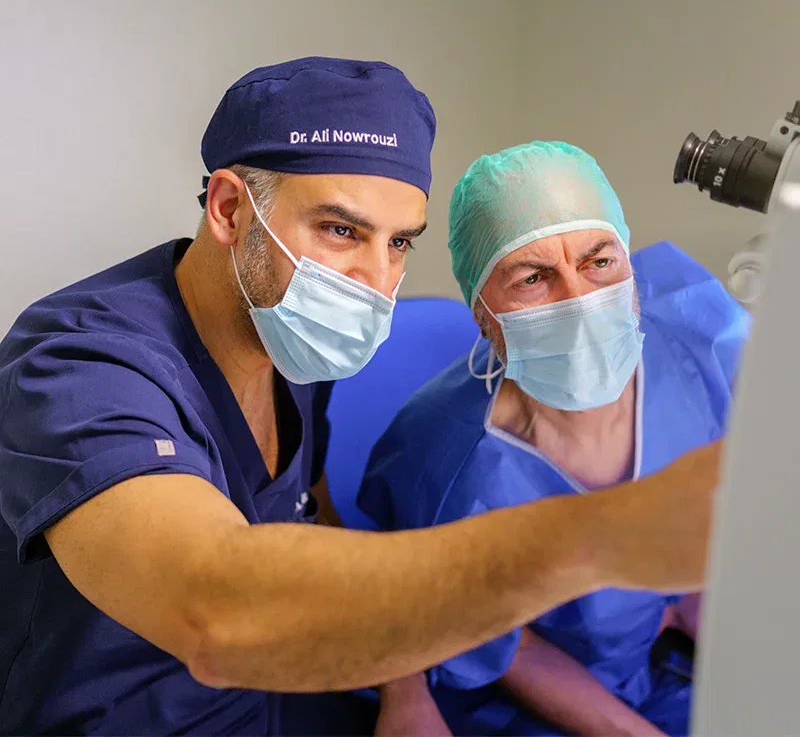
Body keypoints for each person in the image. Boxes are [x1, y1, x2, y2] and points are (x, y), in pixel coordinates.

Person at [0, 60, 721, 737]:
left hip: (278, 702)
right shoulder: (81, 367)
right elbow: (215, 612)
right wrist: (600, 536)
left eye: (400, 242)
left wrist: (404, 693)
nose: (375, 280)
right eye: (341, 230)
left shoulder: (287, 345)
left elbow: (312, 521)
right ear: (229, 208)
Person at [359, 141, 749, 737]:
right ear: (484, 315)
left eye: (599, 263)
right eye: (533, 277)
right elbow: (502, 644)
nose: (581, 301)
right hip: (557, 693)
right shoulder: (447, 462)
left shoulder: (696, 335)